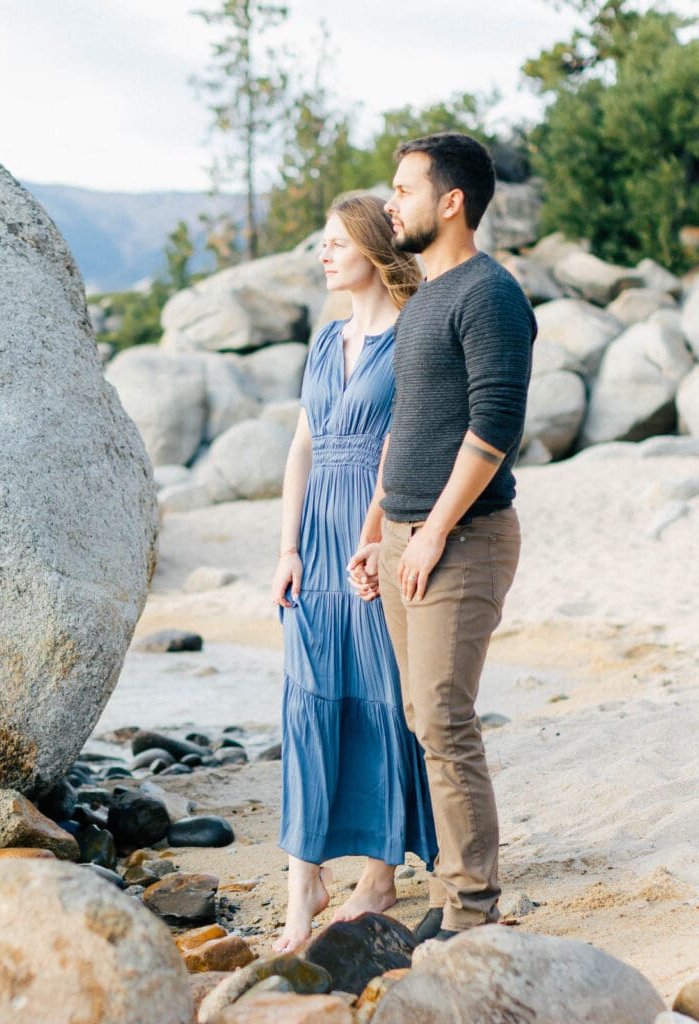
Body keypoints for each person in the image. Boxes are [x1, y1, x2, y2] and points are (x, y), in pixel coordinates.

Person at [349, 133, 536, 941]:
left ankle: (468, 911)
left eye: (403, 189)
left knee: (443, 716)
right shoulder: (426, 295)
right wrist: (376, 531)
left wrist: (430, 537)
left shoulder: (489, 294)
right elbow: (407, 424)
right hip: (404, 535)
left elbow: (494, 427)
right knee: (421, 717)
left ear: (450, 201)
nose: (391, 202)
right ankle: (450, 889)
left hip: (461, 539)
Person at [271, 193, 437, 953]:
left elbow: (402, 447)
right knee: (308, 704)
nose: (324, 255)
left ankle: (379, 873)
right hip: (315, 541)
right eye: (322, 244)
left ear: (373, 251)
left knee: (378, 699)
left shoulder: (412, 337)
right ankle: (303, 875)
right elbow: (301, 447)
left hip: (371, 539)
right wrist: (287, 548)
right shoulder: (322, 340)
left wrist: (371, 538)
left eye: (336, 243)